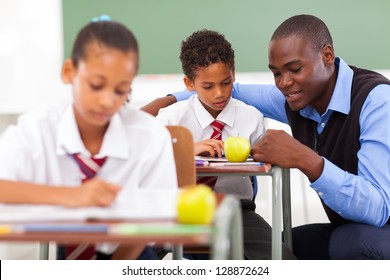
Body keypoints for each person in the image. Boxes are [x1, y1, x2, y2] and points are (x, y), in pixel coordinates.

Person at [141, 14, 390, 260]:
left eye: (294, 69)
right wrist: (167, 102)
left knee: (349, 245)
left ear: (326, 56)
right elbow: (230, 91)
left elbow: (378, 210)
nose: (283, 83)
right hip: (346, 227)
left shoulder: (377, 101)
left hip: (377, 229)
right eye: (276, 74)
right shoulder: (297, 97)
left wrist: (306, 159)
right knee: (278, 249)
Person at [0, 16, 178, 260]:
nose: (107, 100)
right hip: (69, 250)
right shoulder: (37, 129)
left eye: (120, 90)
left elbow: (155, 219)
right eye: (96, 85)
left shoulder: (150, 137)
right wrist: (74, 196)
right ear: (69, 72)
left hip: (129, 252)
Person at [155, 29, 295, 260]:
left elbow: (265, 165)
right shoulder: (171, 119)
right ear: (189, 83)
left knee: (282, 259)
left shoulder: (251, 118)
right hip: (176, 210)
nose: (219, 93)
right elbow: (144, 163)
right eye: (208, 86)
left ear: (233, 75)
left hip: (235, 212)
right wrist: (185, 150)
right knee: (127, 250)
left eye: (226, 83)